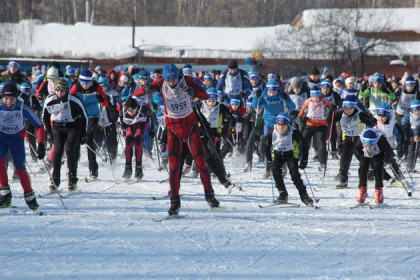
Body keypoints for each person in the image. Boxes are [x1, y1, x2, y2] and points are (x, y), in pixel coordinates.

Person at [149, 64, 220, 215]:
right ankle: (175, 202)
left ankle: (210, 196)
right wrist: (147, 88)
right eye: (169, 80)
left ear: (178, 76)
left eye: (174, 79)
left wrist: (194, 92)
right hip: (173, 130)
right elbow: (140, 91)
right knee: (174, 168)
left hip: (190, 127)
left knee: (201, 163)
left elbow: (205, 95)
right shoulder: (161, 82)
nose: (171, 82)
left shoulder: (187, 80)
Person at [0, 82, 46, 210]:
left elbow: (39, 125)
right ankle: (5, 193)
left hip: (17, 139)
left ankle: (29, 196)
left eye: (12, 99)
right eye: (6, 98)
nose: (9, 102)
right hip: (2, 138)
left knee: (20, 168)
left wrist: (41, 143)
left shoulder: (22, 107)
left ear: (16, 98)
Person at [42, 79, 88, 191]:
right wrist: (48, 132)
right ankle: (55, 179)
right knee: (57, 151)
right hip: (57, 127)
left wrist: (83, 134)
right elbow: (44, 117)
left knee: (69, 149)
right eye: (57, 91)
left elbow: (84, 116)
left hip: (72, 126)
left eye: (62, 91)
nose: (59, 93)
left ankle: (72, 179)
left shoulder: (74, 100)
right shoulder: (50, 100)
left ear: (67, 91)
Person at [264, 112, 314, 206]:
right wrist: (269, 160)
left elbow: (304, 146)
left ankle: (305, 197)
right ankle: (283, 194)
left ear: (288, 125)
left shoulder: (294, 132)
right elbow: (266, 147)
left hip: (291, 154)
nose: (281, 127)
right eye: (279, 125)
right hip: (278, 154)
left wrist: (304, 160)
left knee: (295, 175)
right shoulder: (271, 133)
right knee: (275, 171)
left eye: (283, 125)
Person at [70, 69, 109, 181]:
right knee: (75, 140)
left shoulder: (96, 86)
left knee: (88, 138)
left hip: (93, 115)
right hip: (81, 116)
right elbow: (70, 100)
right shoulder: (76, 87)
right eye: (83, 83)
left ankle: (93, 169)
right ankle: (72, 169)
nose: (85, 85)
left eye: (87, 83)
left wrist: (101, 98)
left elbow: (105, 103)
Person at [334, 95, 376, 188]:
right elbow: (330, 120)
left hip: (359, 138)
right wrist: (332, 112)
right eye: (346, 108)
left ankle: (368, 174)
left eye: (350, 108)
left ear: (354, 107)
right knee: (344, 159)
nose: (348, 110)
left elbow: (371, 122)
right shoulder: (341, 114)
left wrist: (371, 119)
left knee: (361, 158)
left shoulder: (359, 114)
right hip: (347, 138)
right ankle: (343, 180)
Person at [353, 128, 398, 205]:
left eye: (371, 146)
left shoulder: (381, 140)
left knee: (378, 167)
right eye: (367, 146)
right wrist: (361, 159)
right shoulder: (360, 141)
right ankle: (362, 190)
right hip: (364, 153)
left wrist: (386, 160)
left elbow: (389, 153)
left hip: (379, 153)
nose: (369, 148)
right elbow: (356, 151)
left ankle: (379, 191)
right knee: (363, 166)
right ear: (364, 144)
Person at [297, 86, 332, 171]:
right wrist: (300, 118)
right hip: (310, 125)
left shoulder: (324, 101)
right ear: (311, 96)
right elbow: (301, 113)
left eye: (317, 97)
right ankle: (299, 158)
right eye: (313, 97)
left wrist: (332, 109)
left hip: (322, 125)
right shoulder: (307, 102)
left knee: (321, 143)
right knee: (303, 141)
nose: (316, 99)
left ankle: (323, 162)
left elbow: (331, 110)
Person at [120, 97, 154, 181]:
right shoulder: (123, 110)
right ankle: (128, 168)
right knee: (128, 141)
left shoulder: (143, 109)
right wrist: (122, 126)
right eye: (129, 111)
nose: (131, 113)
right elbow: (121, 118)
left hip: (140, 124)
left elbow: (151, 115)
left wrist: (152, 129)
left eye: (133, 111)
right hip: (130, 125)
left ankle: (138, 168)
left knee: (138, 139)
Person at [402, 99, 420, 173]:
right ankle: (410, 166)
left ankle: (414, 165)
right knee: (411, 150)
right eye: (414, 110)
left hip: (418, 134)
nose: (416, 112)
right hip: (411, 135)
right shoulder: (408, 116)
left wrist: (417, 134)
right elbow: (405, 126)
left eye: (418, 110)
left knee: (418, 150)